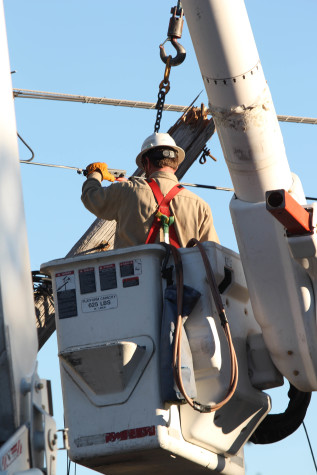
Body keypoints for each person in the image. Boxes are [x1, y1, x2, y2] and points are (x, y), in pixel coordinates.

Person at [81, 132, 219, 249]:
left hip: (136, 280)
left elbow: (91, 197)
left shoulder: (126, 192)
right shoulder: (200, 206)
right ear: (176, 165)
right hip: (183, 280)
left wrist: (95, 174)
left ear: (146, 163)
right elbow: (212, 253)